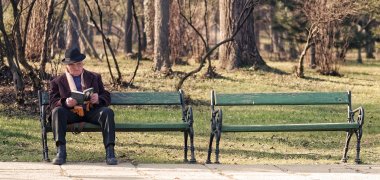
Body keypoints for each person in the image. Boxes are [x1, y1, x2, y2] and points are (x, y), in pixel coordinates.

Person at [49, 47, 117, 165]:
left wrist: (98, 98)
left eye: (79, 64)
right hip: (70, 113)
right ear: (67, 66)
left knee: (107, 112)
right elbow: (53, 101)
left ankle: (110, 152)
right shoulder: (57, 81)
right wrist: (65, 102)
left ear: (83, 63)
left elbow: (105, 95)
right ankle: (61, 152)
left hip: (91, 111)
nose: (76, 67)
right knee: (57, 111)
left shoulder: (94, 77)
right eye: (73, 65)